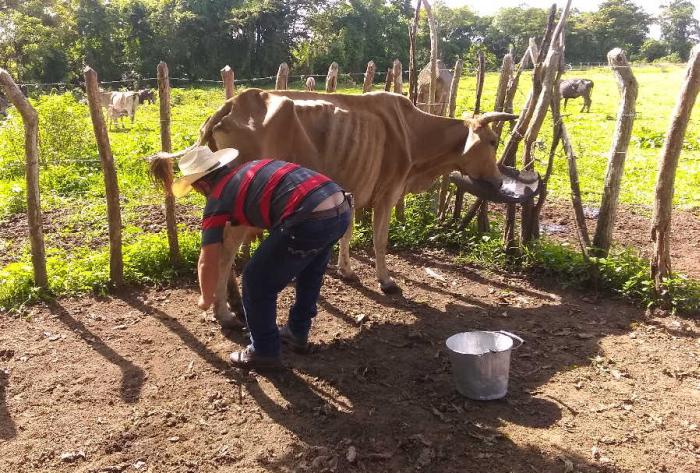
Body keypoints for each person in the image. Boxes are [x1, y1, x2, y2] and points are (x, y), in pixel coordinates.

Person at [172, 146, 351, 370]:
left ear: (202, 184)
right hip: (340, 207)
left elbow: (207, 259)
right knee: (310, 271)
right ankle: (297, 331)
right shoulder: (252, 167)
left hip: (309, 218)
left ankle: (264, 351)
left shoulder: (217, 197)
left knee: (256, 280)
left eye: (196, 189)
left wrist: (206, 299)